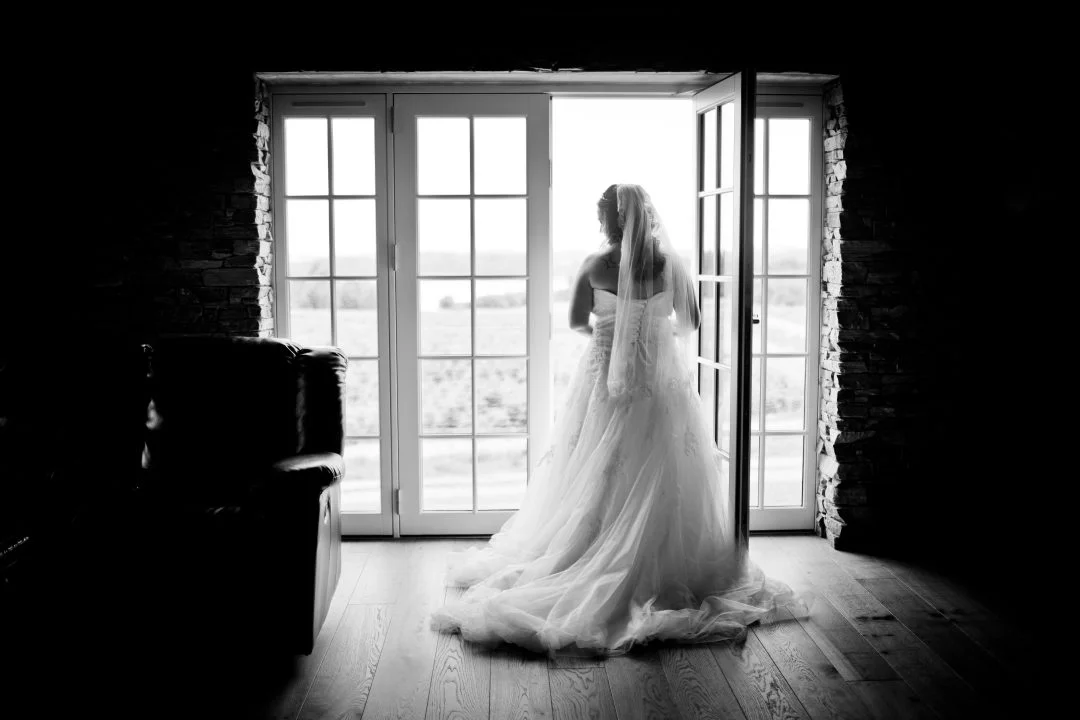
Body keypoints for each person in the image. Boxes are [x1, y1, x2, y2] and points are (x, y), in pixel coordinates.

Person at [430, 183, 801, 657]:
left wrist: (613, 334)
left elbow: (576, 322)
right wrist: (653, 335)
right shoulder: (671, 266)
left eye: (602, 216)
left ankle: (589, 551)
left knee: (595, 464)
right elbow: (690, 322)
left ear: (610, 220)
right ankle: (659, 563)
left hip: (604, 380)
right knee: (661, 467)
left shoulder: (593, 265)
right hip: (661, 385)